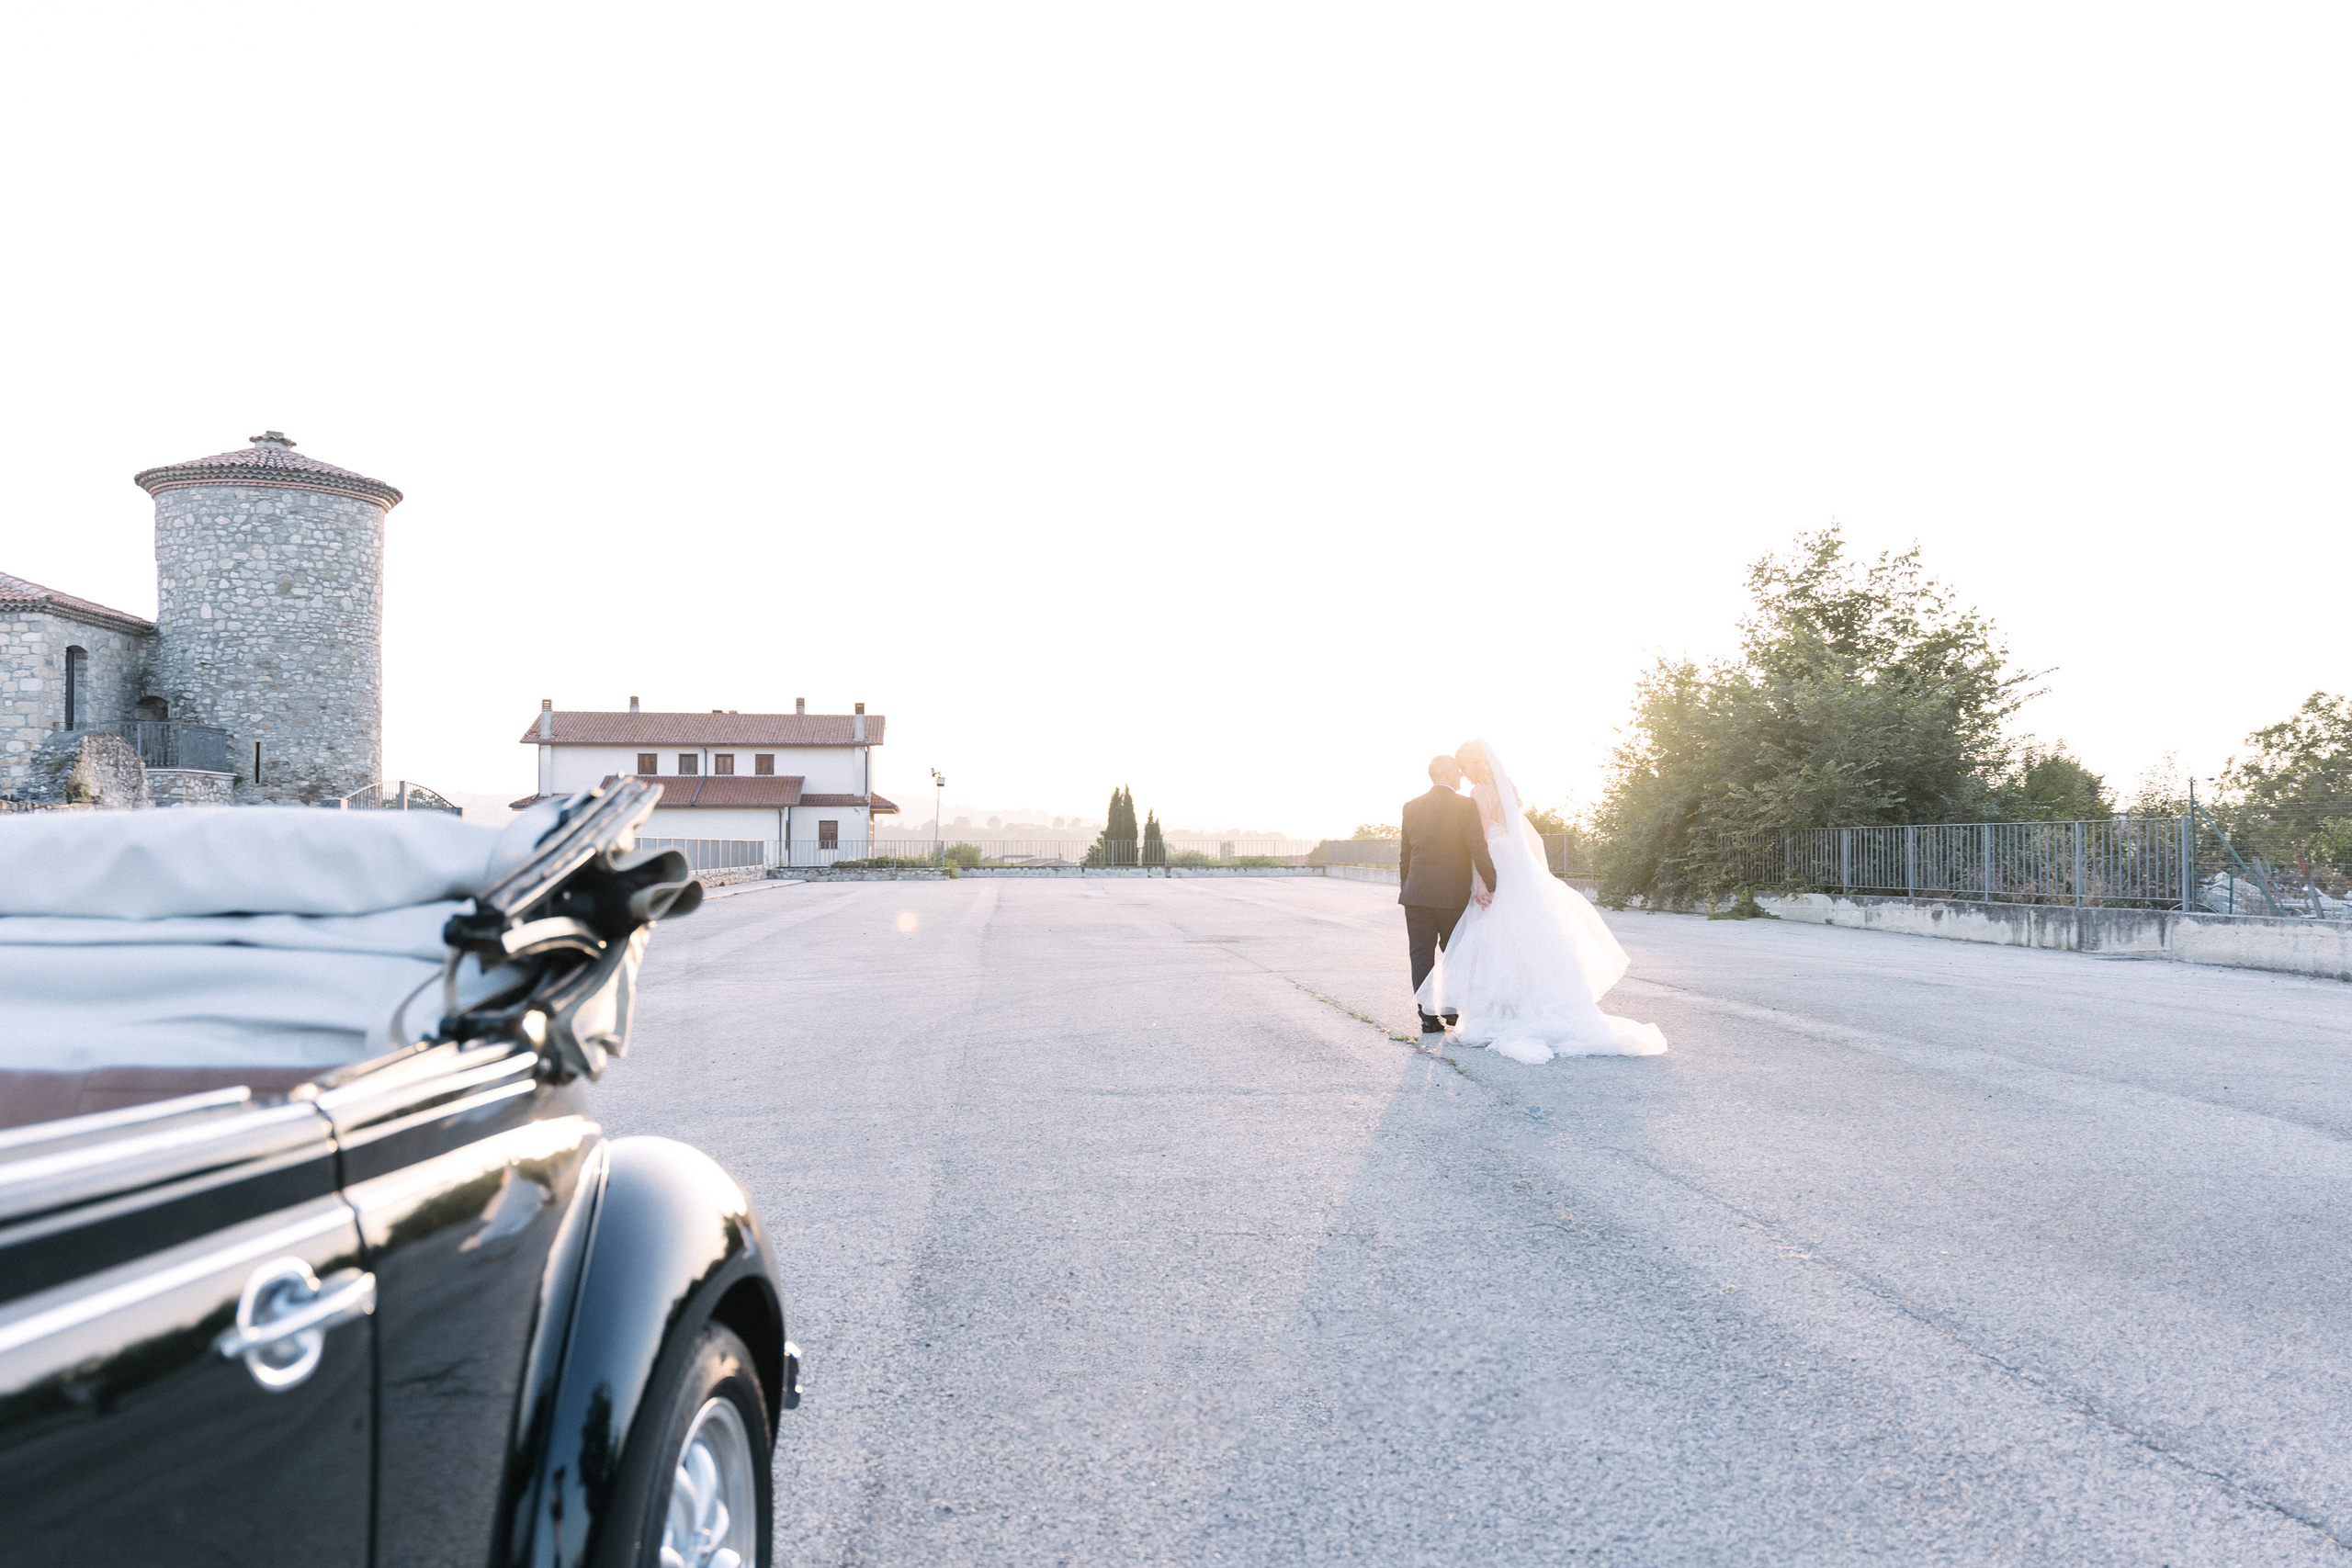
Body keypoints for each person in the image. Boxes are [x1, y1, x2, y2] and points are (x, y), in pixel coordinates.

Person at [1416, 739, 1668, 1064]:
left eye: (1464, 766)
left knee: (1498, 936)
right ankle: (1533, 1004)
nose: (1463, 773)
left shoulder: (1479, 793)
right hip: (1517, 864)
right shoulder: (1507, 789)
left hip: (1496, 863)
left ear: (1476, 763)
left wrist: (1480, 883)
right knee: (1525, 934)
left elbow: (1481, 841)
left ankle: (1506, 1011)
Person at [1397, 754, 1498, 1040]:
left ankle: (1427, 1019)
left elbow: (1405, 855)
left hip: (1416, 894)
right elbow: (1477, 846)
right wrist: (1492, 882)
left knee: (1420, 955)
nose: (1461, 775)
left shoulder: (1411, 806)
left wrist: (1408, 887)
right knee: (1454, 953)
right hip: (1451, 894)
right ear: (1446, 773)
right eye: (1457, 771)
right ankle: (1452, 1011)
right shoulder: (1464, 805)